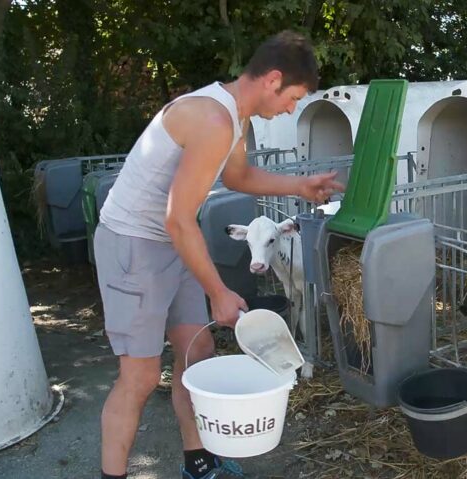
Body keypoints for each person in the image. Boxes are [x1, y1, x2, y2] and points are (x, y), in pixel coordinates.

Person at [94, 30, 344, 479]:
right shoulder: (213, 120)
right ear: (272, 79)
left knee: (198, 349)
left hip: (172, 238)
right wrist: (219, 292)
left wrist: (299, 186)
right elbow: (178, 218)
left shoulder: (235, 115)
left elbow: (239, 176)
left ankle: (198, 462)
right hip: (133, 244)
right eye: (294, 98)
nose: (292, 108)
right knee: (140, 379)